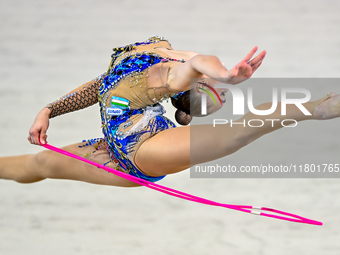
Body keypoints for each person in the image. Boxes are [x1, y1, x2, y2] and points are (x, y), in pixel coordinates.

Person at [1, 36, 338, 188]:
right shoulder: (160, 52)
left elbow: (200, 62)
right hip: (112, 148)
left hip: (142, 151)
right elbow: (101, 85)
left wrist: (226, 76)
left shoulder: (171, 76)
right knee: (39, 163)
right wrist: (49, 109)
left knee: (239, 132)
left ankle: (318, 107)